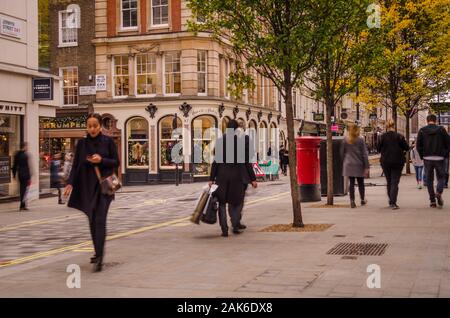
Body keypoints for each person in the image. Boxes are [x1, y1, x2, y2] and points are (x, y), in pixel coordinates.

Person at [64, 113, 120, 272]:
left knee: (100, 220)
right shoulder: (81, 144)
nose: (92, 129)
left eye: (95, 126)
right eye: (89, 126)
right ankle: (97, 251)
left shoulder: (108, 142)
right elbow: (75, 166)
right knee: (92, 219)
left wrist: (101, 160)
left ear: (100, 126)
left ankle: (100, 258)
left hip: (104, 186)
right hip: (86, 186)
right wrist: (69, 183)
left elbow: (116, 162)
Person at [209, 119, 257, 237]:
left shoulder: (220, 141)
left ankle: (224, 229)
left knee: (221, 203)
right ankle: (235, 224)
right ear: (236, 129)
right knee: (236, 202)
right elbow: (246, 162)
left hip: (222, 177)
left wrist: (211, 178)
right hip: (237, 176)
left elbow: (215, 161)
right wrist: (253, 178)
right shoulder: (240, 142)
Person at [416, 114, 450, 208]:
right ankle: (438, 192)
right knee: (441, 177)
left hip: (427, 158)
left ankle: (432, 201)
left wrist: (423, 155)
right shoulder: (442, 130)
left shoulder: (422, 130)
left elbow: (418, 145)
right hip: (439, 157)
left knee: (429, 180)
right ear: (436, 120)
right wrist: (444, 153)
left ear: (427, 121)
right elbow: (448, 143)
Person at [377, 120, 409, 210]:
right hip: (398, 161)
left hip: (386, 161)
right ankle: (393, 202)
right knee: (395, 182)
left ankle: (391, 201)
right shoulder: (399, 136)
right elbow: (406, 148)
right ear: (394, 126)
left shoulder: (382, 136)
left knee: (389, 181)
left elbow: (378, 148)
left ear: (386, 126)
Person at [341, 124, 369, 208]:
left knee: (351, 183)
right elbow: (364, 154)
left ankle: (352, 201)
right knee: (361, 183)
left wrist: (345, 161)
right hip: (358, 164)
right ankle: (362, 199)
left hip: (348, 164)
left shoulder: (346, 139)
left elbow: (342, 152)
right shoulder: (360, 140)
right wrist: (366, 166)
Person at [12, 142, 31, 211]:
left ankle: (22, 205)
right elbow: (27, 167)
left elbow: (14, 166)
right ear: (24, 147)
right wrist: (29, 176)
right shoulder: (25, 155)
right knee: (24, 190)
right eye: (27, 146)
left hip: (20, 174)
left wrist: (14, 175)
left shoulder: (17, 154)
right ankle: (22, 205)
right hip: (25, 174)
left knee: (22, 189)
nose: (27, 148)